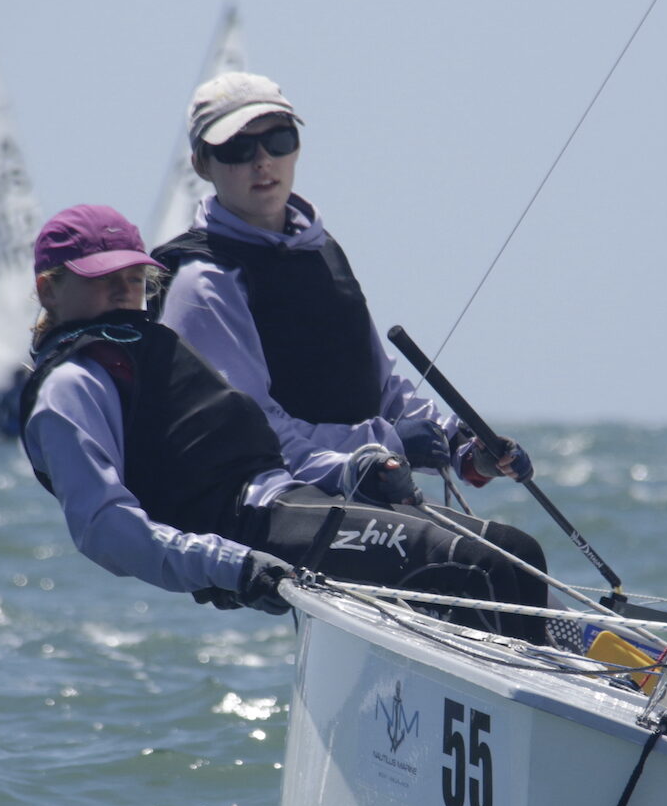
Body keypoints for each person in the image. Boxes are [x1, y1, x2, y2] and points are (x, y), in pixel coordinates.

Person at [19, 204, 549, 641]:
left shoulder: (153, 346)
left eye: (132, 276)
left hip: (289, 497)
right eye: (102, 279)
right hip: (250, 532)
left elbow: (268, 447)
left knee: (518, 554)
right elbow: (105, 529)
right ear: (49, 290)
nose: (123, 291)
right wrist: (235, 566)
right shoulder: (71, 386)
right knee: (483, 570)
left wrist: (350, 470)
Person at [153, 71, 530, 494]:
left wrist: (464, 446)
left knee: (517, 555)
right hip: (269, 508)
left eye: (278, 140)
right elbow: (249, 431)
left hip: (360, 489)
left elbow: (380, 388)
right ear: (202, 164)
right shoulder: (204, 281)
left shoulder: (320, 249)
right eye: (238, 148)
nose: (262, 161)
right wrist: (384, 446)